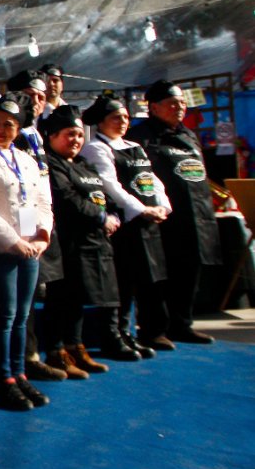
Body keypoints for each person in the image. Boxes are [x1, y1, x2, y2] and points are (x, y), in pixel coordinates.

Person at [0, 93, 53, 411]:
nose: (2, 129)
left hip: (30, 248)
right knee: (4, 317)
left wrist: (42, 234)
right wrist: (10, 241)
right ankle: (1, 377)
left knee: (22, 316)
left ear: (19, 129)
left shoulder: (27, 160)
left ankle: (19, 372)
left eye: (10, 125)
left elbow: (42, 199)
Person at [125, 80, 222, 346]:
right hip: (163, 218)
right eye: (172, 103)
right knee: (158, 275)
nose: (179, 107)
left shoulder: (189, 135)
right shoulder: (140, 137)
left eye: (182, 102)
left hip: (197, 216)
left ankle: (182, 324)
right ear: (154, 108)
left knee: (189, 271)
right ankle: (153, 329)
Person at [80, 95, 171, 360]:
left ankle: (143, 331)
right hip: (126, 223)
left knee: (149, 279)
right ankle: (117, 334)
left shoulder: (134, 146)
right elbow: (110, 186)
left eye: (125, 117)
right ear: (101, 122)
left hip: (149, 221)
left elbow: (152, 179)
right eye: (115, 118)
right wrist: (141, 209)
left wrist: (162, 205)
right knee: (124, 281)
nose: (122, 122)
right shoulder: (96, 149)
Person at [41, 105, 120, 379]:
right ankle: (56, 350)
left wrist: (112, 214)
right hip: (67, 244)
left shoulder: (83, 164)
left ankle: (76, 346)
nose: (74, 140)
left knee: (77, 301)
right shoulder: (51, 164)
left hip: (94, 243)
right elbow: (69, 199)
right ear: (52, 137)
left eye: (78, 135)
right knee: (61, 299)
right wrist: (101, 218)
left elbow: (102, 195)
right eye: (68, 135)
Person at [5, 69, 67, 382]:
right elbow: (20, 192)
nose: (38, 102)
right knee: (21, 304)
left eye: (42, 97)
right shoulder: (12, 134)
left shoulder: (36, 133)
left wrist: (44, 227)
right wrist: (33, 231)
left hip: (42, 223)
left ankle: (45, 351)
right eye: (30, 97)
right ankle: (23, 360)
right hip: (18, 231)